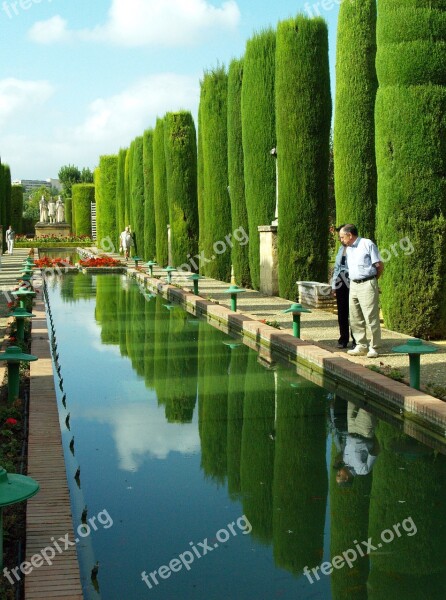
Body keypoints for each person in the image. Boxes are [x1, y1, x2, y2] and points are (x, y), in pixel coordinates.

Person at [339, 224, 384, 358]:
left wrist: (372, 280)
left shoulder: (367, 244)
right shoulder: (348, 249)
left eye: (342, 237)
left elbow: (379, 265)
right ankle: (361, 345)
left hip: (367, 283)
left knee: (371, 317)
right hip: (353, 284)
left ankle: (374, 347)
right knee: (355, 317)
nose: (341, 240)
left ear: (350, 235)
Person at [335, 401, 379, 487]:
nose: (338, 472)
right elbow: (376, 451)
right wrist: (371, 433)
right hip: (364, 430)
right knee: (368, 402)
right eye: (339, 475)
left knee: (352, 397)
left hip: (351, 428)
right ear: (346, 478)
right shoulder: (362, 470)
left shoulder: (345, 460)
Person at [331, 225, 355, 349]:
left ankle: (356, 339)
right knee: (342, 311)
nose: (340, 239)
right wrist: (334, 285)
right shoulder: (341, 249)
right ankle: (343, 338)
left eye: (342, 237)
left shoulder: (356, 248)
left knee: (355, 311)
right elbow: (337, 268)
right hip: (341, 280)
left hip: (352, 279)